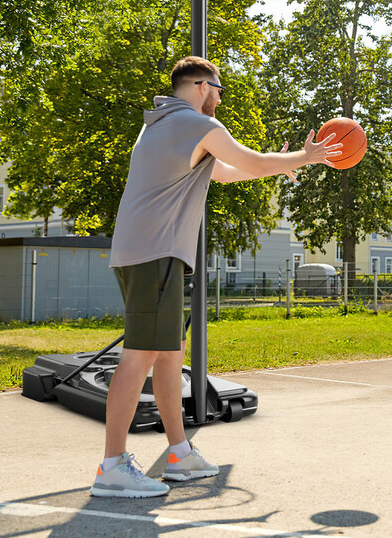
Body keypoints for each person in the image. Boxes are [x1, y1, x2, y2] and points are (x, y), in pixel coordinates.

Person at [90, 56, 340, 498]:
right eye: (219, 90)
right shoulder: (192, 122)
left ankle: (179, 454)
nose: (221, 99)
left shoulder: (160, 122)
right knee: (141, 355)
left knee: (168, 355)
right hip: (156, 253)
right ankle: (112, 466)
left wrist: (283, 163)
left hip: (146, 252)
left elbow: (226, 171)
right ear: (202, 85)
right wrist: (307, 156)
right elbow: (249, 160)